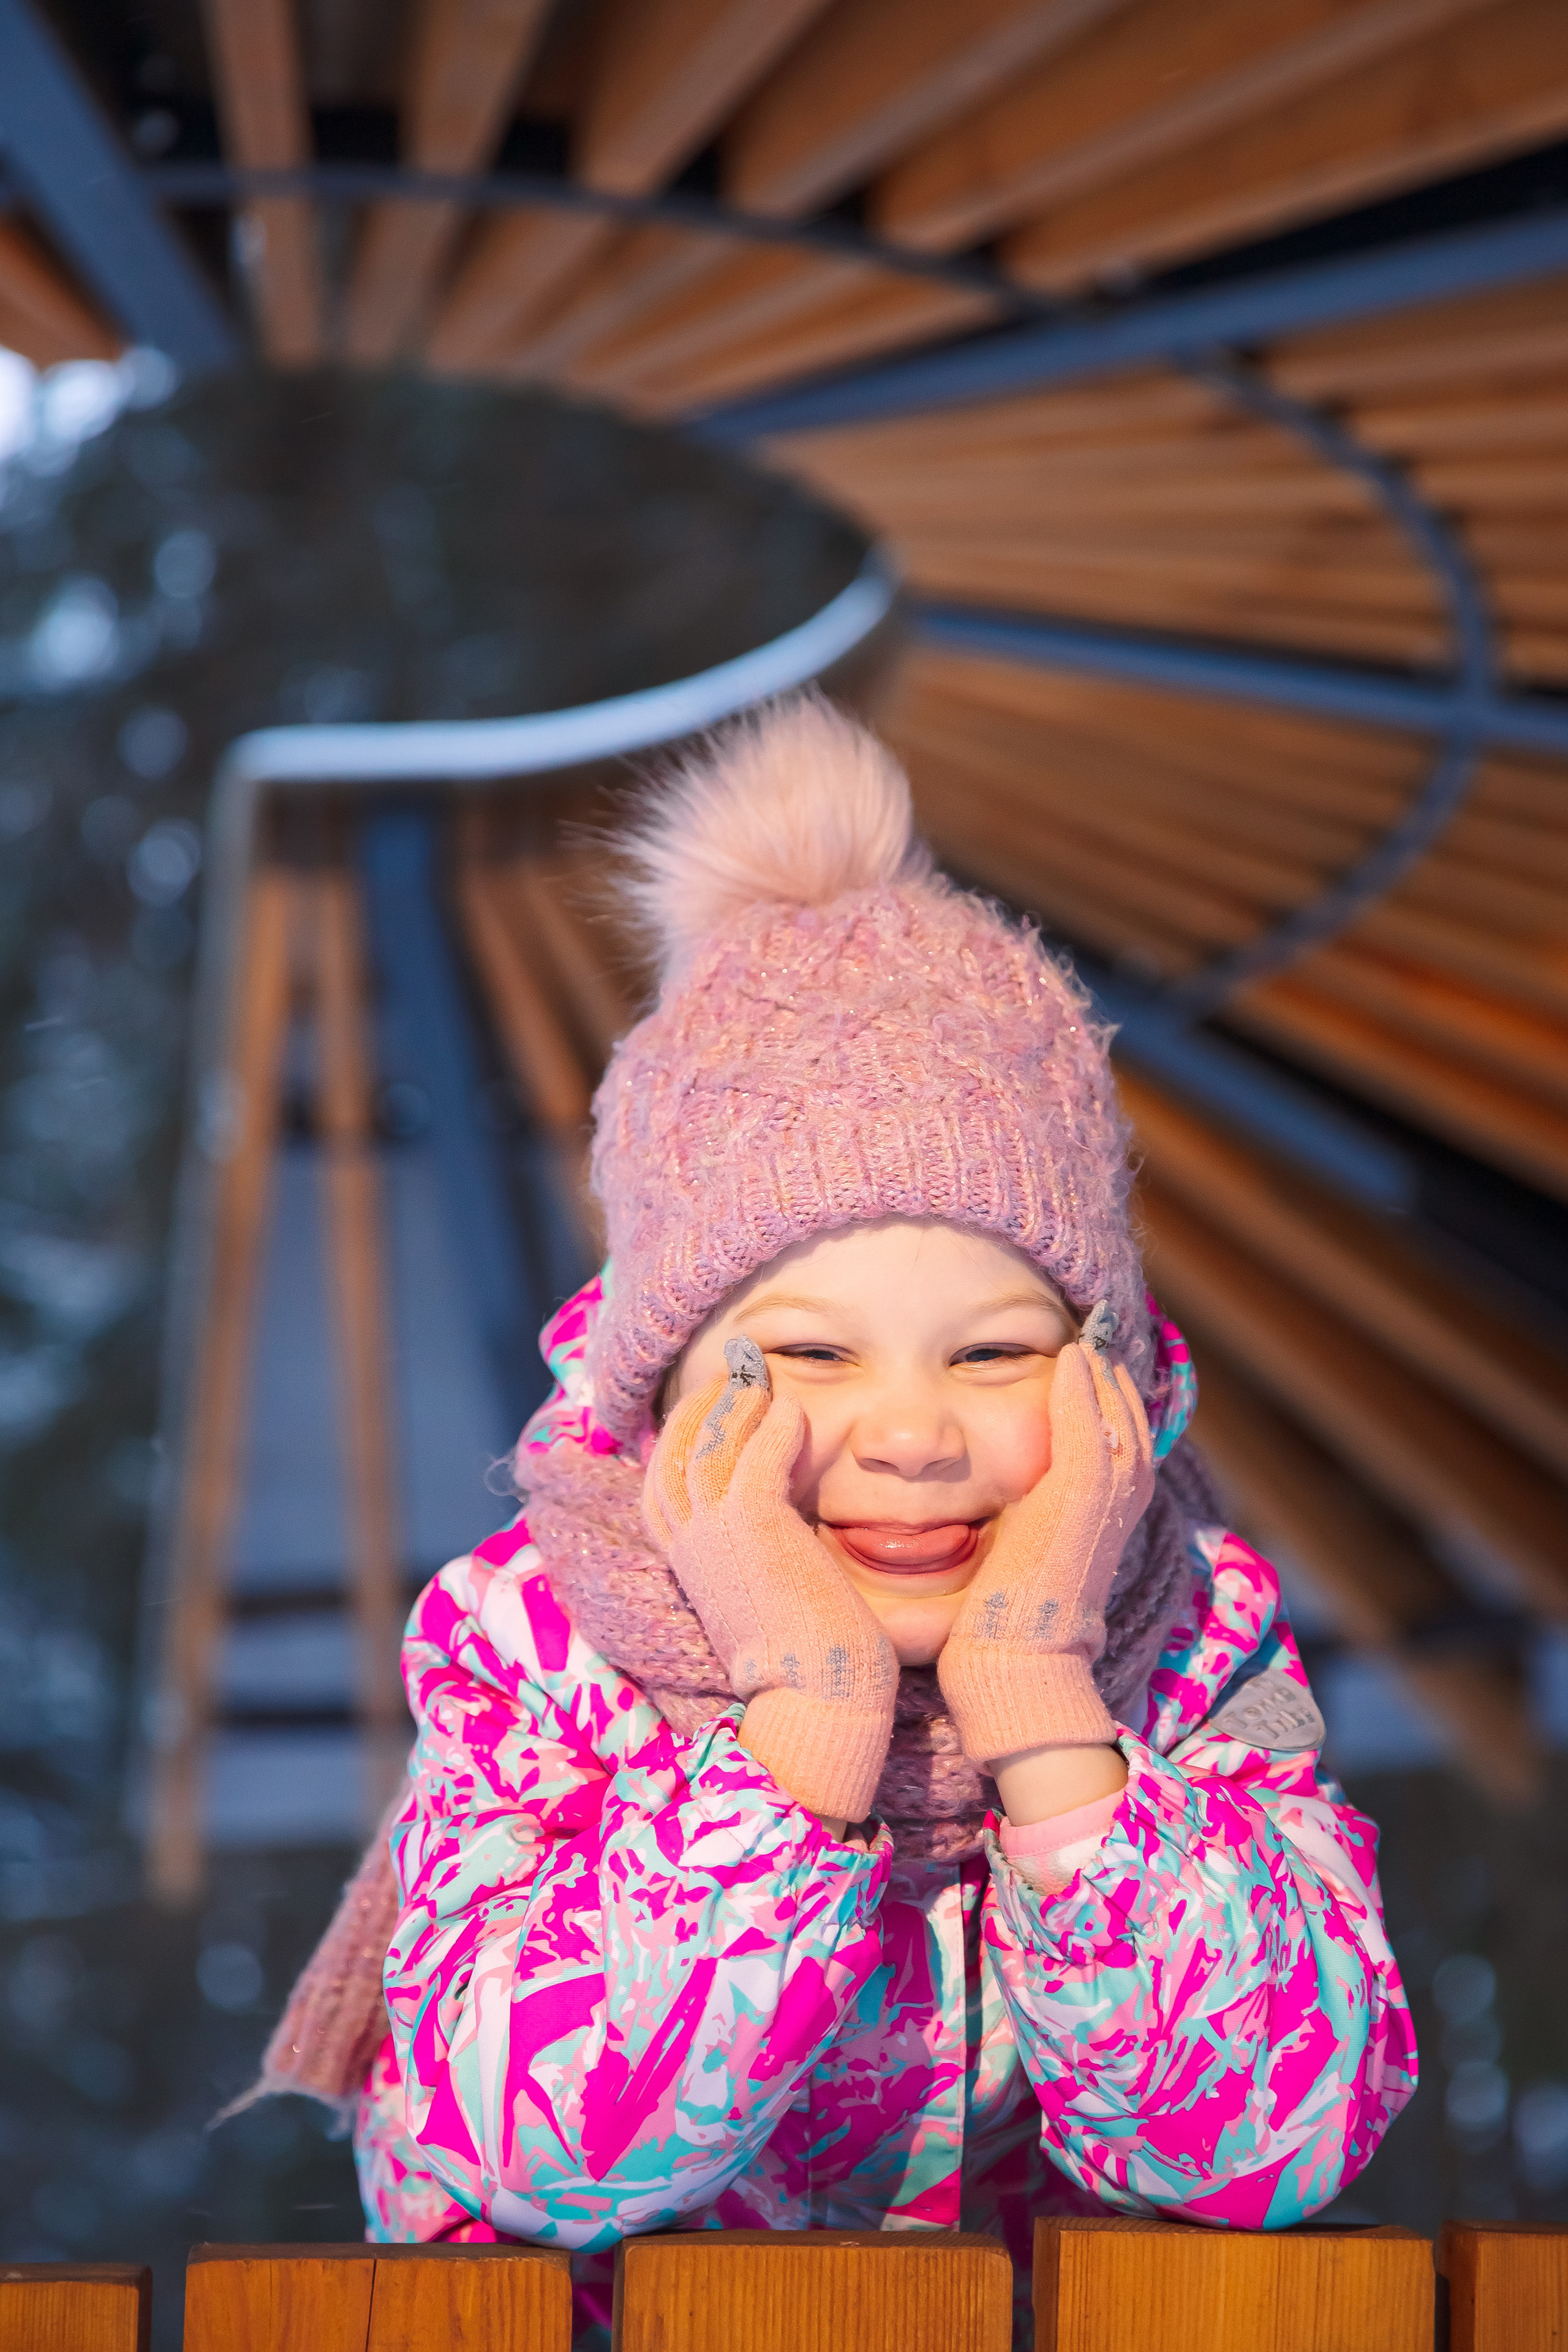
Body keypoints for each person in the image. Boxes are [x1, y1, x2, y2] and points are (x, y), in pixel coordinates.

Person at [257, 693, 1415, 2346]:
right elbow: (533, 2148)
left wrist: (1048, 1710)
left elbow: (1273, 2145)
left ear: (1105, 1379)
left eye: (997, 1351)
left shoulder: (1195, 1643)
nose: (916, 1436)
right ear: (659, 1395)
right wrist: (802, 1715)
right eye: (807, 1356)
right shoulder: (536, 1643)